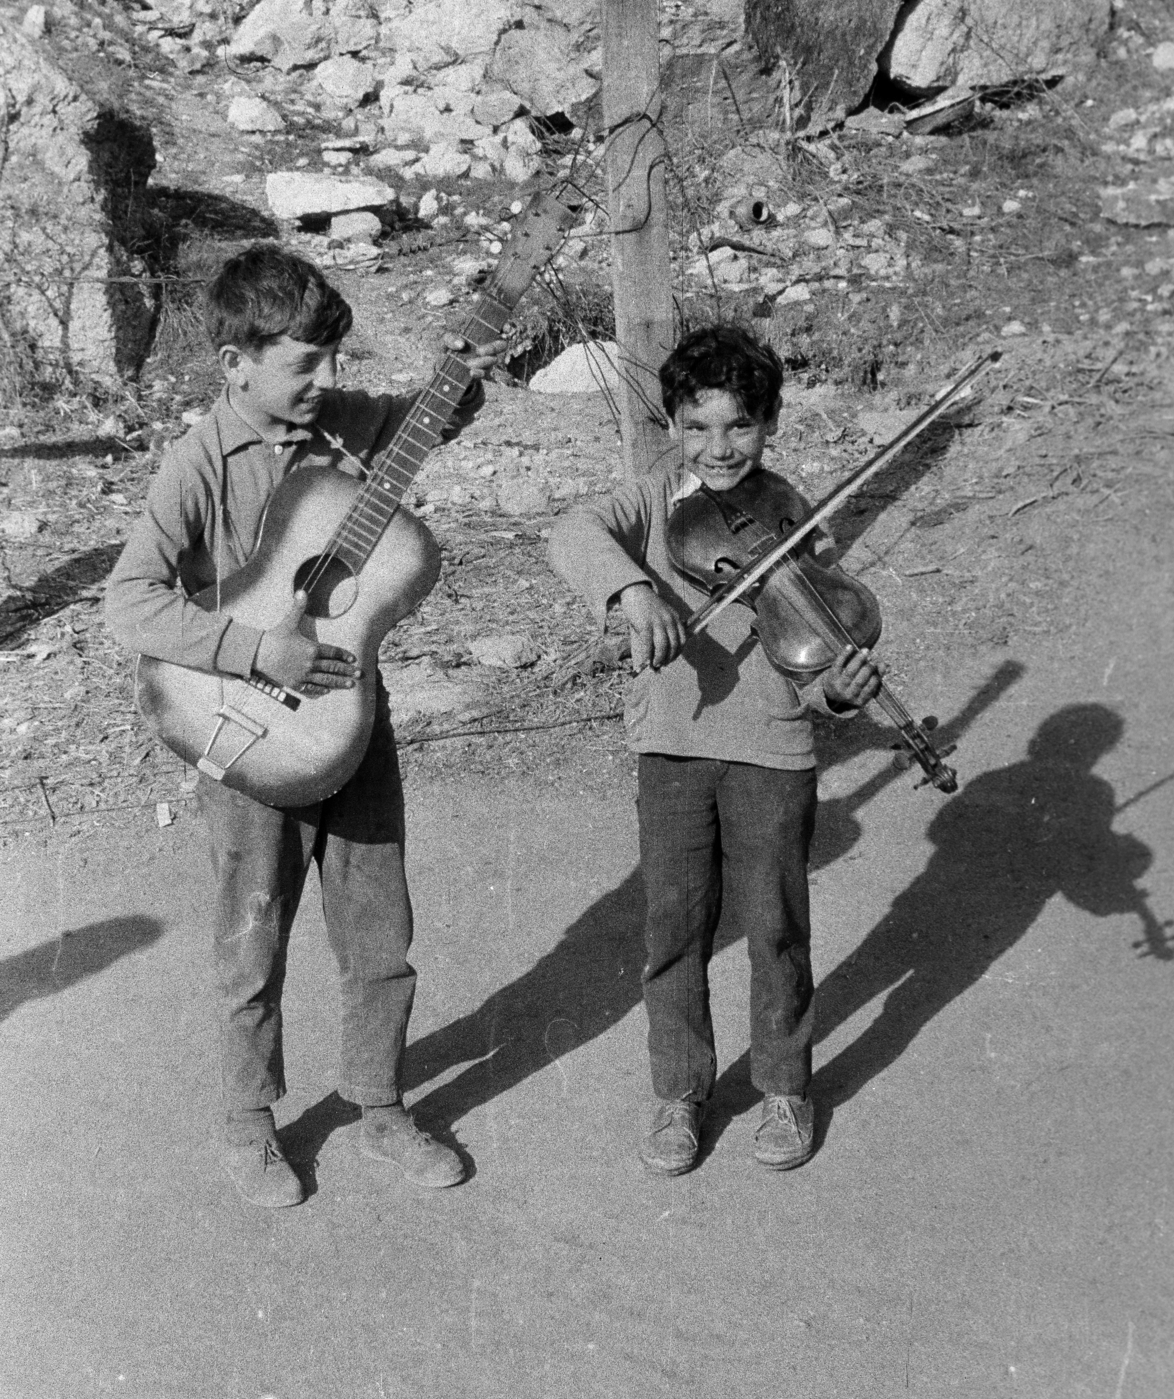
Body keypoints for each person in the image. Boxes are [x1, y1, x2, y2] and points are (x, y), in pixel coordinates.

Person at [106, 244, 502, 1208]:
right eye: (301, 364)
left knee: (379, 929)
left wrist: (473, 362)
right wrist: (257, 652)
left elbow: (438, 418)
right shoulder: (198, 464)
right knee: (254, 931)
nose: (327, 381)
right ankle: (250, 1122)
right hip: (243, 730)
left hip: (351, 720)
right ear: (235, 360)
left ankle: (377, 1104)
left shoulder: (346, 426)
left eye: (335, 358)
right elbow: (130, 604)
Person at [549, 324, 880, 1177]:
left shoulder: (793, 514)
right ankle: (679, 1091)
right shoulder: (653, 499)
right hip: (671, 741)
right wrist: (631, 591)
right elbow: (572, 531)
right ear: (672, 426)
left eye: (738, 426)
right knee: (674, 926)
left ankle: (782, 1086)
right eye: (697, 427)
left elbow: (812, 646)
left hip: (771, 745)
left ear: (768, 422)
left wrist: (832, 691)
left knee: (774, 928)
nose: (718, 447)